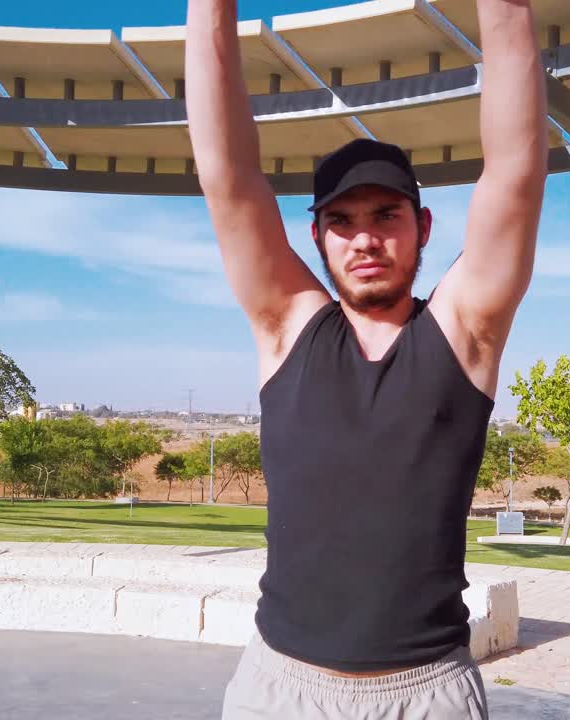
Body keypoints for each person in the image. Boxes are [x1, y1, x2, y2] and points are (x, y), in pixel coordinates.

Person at [185, 0, 546, 717]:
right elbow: (228, 177)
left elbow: (513, 174)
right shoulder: (287, 328)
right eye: (342, 222)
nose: (365, 239)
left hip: (426, 693)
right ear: (317, 238)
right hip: (278, 691)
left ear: (422, 228)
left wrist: (505, 12)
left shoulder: (464, 334)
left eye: (387, 216)